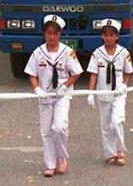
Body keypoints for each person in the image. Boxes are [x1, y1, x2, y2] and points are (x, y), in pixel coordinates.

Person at [25, 15, 83, 177]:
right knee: (46, 131)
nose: (51, 36)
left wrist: (65, 86)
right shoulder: (38, 52)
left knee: (60, 126)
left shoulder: (67, 52)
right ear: (44, 34)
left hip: (61, 95)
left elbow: (76, 72)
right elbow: (32, 73)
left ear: (59, 35)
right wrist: (37, 88)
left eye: (55, 33)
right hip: (45, 96)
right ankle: (50, 163)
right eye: (48, 33)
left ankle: (62, 156)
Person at [86, 19, 133, 166]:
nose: (108, 38)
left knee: (116, 121)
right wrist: (90, 93)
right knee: (106, 126)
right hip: (104, 93)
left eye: (111, 35)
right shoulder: (97, 54)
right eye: (105, 35)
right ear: (102, 37)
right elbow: (94, 73)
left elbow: (128, 72)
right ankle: (110, 153)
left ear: (117, 37)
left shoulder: (123, 53)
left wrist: (125, 85)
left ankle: (120, 151)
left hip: (118, 94)